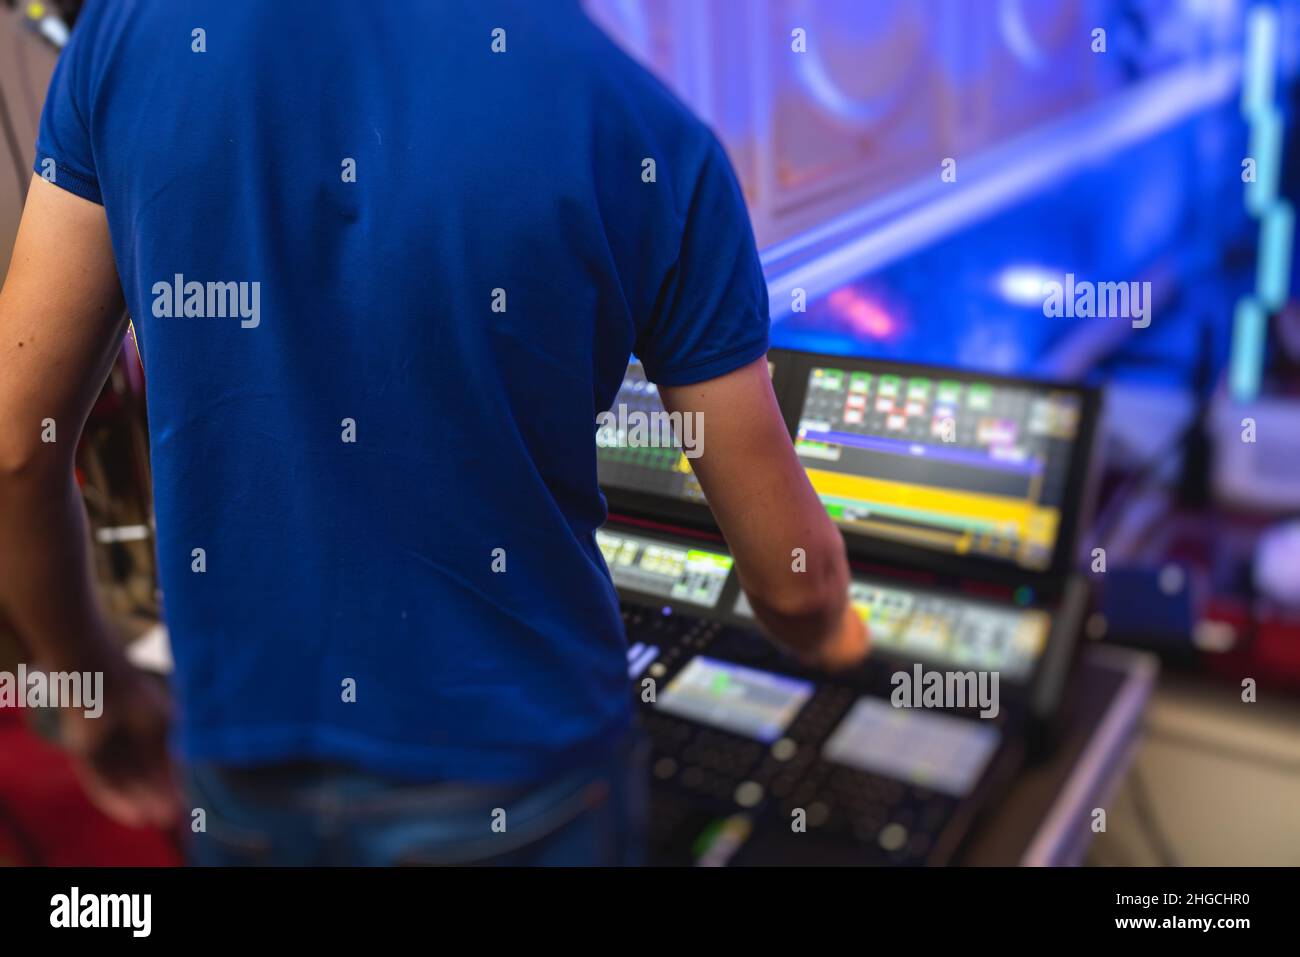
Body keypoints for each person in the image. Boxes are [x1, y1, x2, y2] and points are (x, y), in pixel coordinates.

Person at [0, 0, 866, 865]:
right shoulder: (638, 121)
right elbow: (790, 583)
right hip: (523, 777)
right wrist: (831, 632)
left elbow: (12, 454)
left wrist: (93, 684)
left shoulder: (126, 34)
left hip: (243, 775)